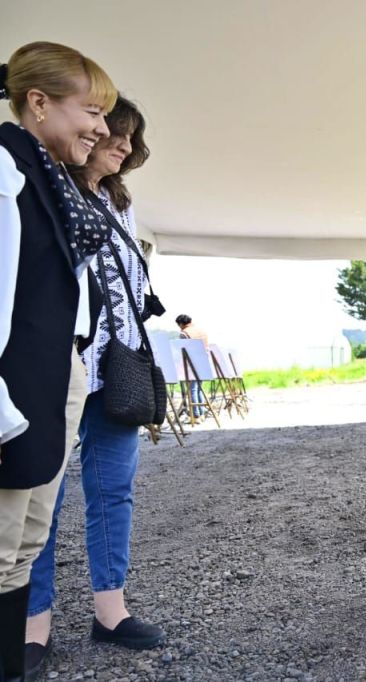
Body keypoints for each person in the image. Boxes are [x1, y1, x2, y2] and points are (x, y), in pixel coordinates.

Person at [22, 95, 162, 678]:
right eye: (113, 132)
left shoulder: (119, 204)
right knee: (40, 499)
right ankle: (33, 625)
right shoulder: (48, 187)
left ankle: (111, 611)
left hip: (117, 372)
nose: (123, 144)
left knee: (115, 492)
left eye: (130, 137)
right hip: (60, 367)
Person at [0, 42, 116, 681]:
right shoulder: (5, 168)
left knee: (23, 547)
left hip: (54, 376)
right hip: (13, 392)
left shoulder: (52, 178)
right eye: (91, 110)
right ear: (38, 104)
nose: (102, 128)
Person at [175, 314, 208, 418]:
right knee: (199, 388)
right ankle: (202, 411)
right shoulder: (201, 331)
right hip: (204, 363)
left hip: (191, 364)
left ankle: (196, 414)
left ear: (181, 324)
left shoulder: (184, 333)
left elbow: (182, 350)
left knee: (192, 389)